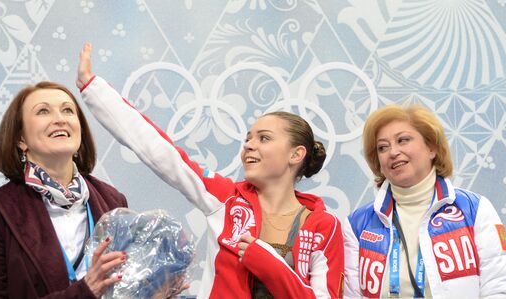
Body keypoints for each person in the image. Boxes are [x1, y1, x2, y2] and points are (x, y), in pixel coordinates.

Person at [76, 43, 344, 298]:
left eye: (264, 138)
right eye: (248, 139)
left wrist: (268, 263)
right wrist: (94, 89)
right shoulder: (226, 200)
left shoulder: (324, 226)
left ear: (296, 154)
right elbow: (160, 151)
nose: (250, 146)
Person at [342, 105, 506, 298]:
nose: (393, 152)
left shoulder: (475, 209)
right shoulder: (357, 225)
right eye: (382, 147)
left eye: (403, 140)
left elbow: (500, 289)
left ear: (432, 148)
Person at [0, 81, 128, 298]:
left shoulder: (113, 201)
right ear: (21, 139)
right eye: (43, 111)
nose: (60, 119)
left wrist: (155, 292)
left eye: (68, 110)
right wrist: (85, 292)